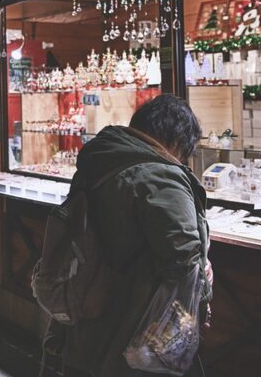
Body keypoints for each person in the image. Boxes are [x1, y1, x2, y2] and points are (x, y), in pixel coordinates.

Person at [60, 94, 211, 377]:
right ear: (177, 141)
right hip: (137, 322)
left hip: (88, 307)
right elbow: (184, 257)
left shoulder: (101, 161)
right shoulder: (160, 175)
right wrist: (202, 300)